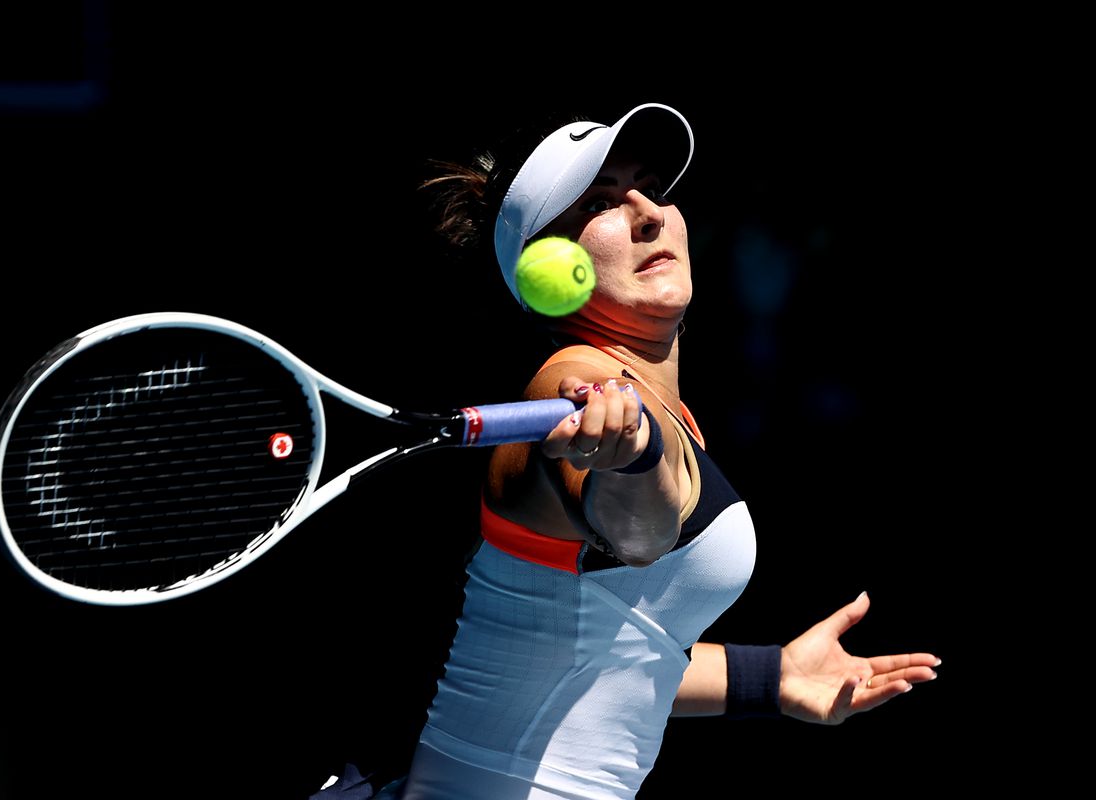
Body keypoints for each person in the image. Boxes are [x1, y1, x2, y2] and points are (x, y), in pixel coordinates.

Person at [387, 103, 940, 800]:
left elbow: (610, 655)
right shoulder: (573, 384)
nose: (649, 212)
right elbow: (640, 533)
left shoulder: (662, 399)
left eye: (652, 185)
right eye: (601, 203)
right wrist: (633, 461)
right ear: (545, 271)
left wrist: (772, 678)